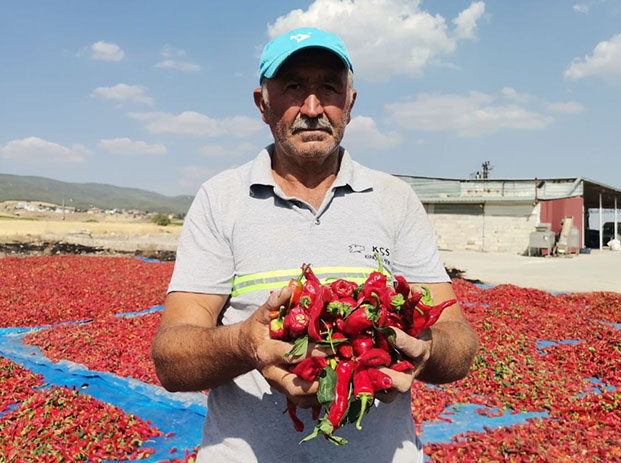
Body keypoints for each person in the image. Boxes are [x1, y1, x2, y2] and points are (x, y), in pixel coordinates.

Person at [151, 27, 479, 462]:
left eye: (328, 87)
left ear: (350, 103)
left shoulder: (394, 200)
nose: (312, 107)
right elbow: (170, 359)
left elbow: (459, 341)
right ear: (262, 104)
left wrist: (425, 350)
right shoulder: (221, 199)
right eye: (292, 87)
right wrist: (245, 345)